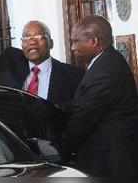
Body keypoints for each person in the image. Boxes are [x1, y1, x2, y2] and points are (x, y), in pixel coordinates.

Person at [58, 15, 138, 178]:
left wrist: (59, 153)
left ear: (94, 42)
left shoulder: (105, 71)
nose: (72, 47)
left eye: (75, 41)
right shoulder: (106, 62)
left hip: (111, 164)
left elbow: (83, 118)